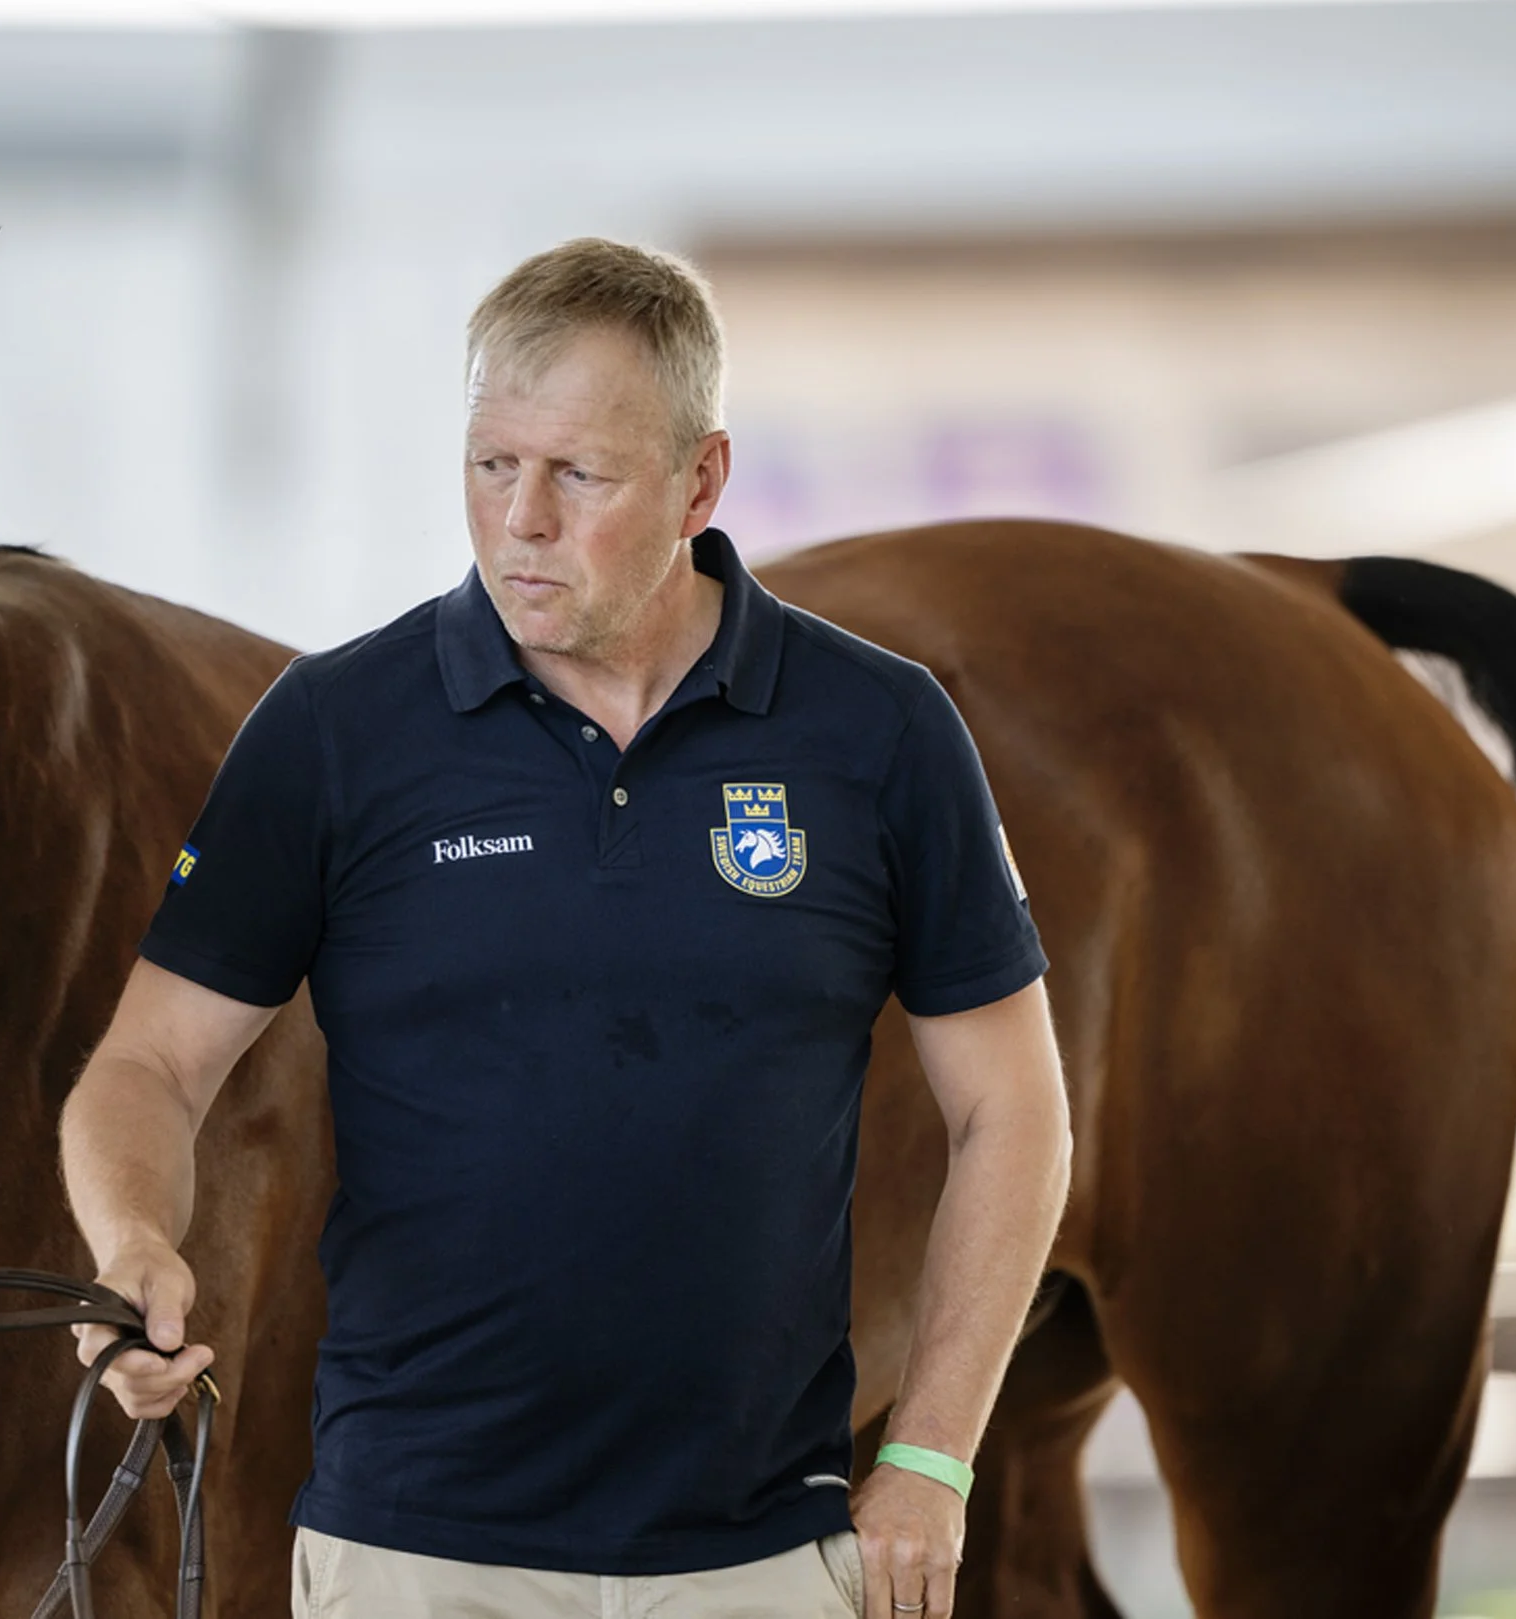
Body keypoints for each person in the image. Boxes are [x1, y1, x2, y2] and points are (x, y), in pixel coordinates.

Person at [61, 238, 1071, 1619]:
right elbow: (147, 1066)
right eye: (492, 465)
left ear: (700, 481)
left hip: (765, 1558)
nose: (520, 520)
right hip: (414, 1559)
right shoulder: (336, 732)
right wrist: (130, 1239)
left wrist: (935, 1453)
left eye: (578, 475)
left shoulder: (880, 733)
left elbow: (1015, 1110)